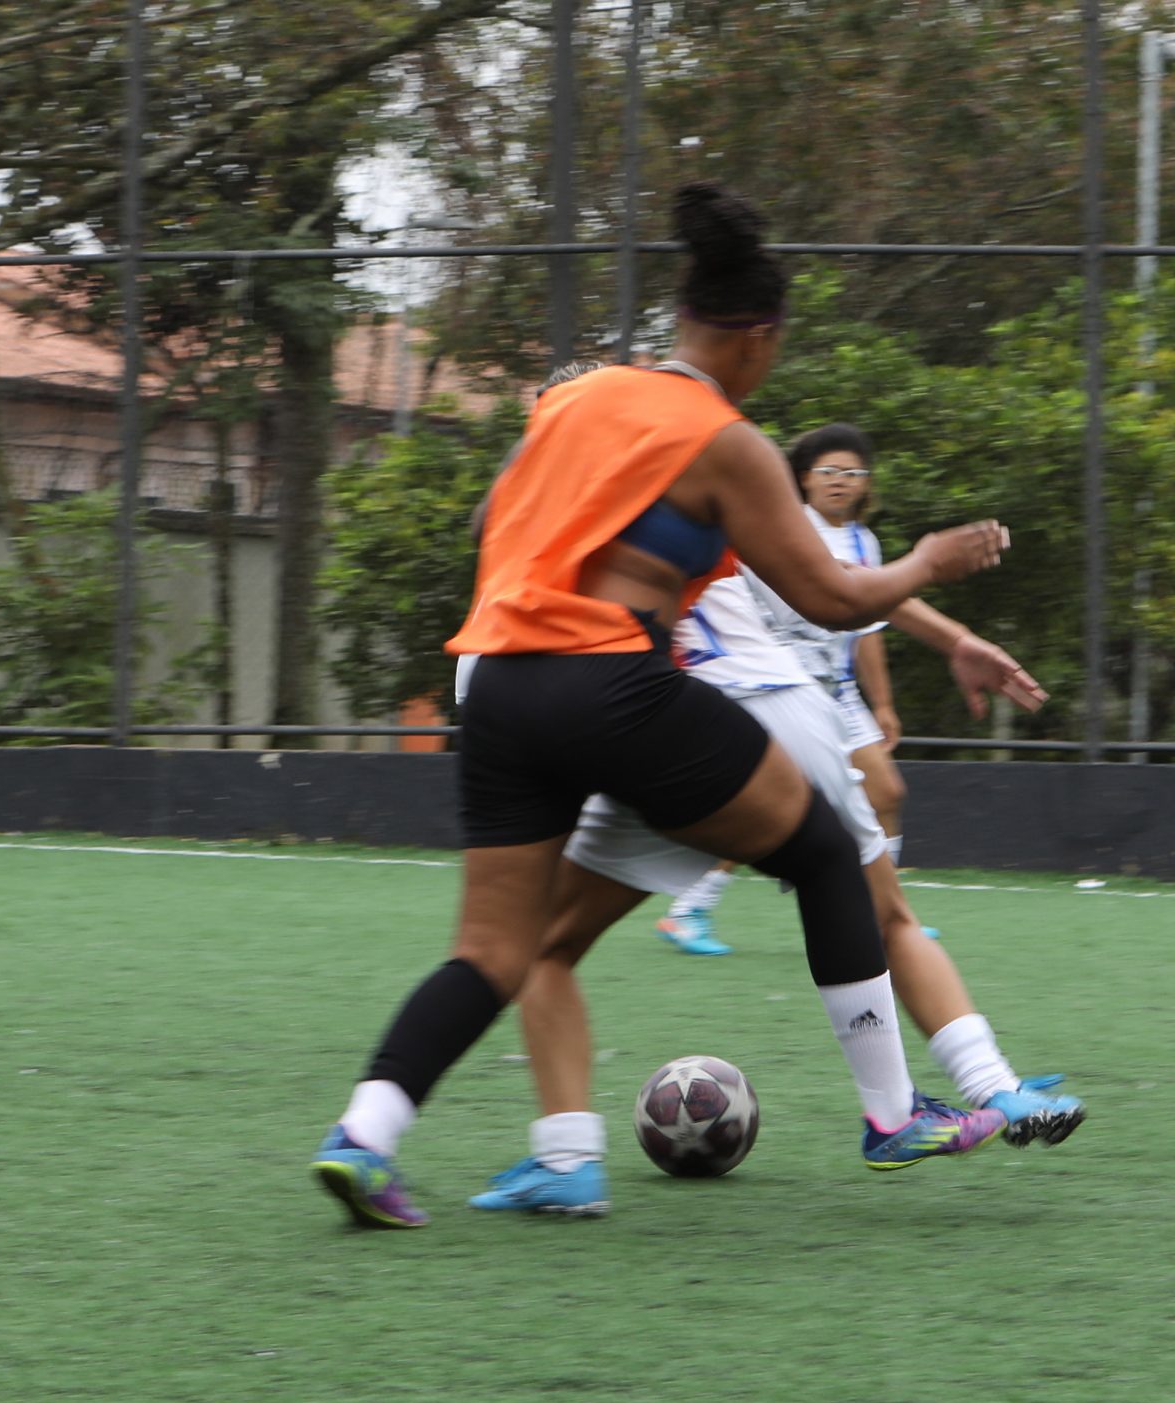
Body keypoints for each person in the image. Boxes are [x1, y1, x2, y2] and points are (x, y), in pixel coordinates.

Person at [308, 182, 1023, 1230]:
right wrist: (931, 561)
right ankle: (890, 1115)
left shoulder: (574, 399)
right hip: (611, 680)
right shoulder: (723, 438)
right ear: (760, 337)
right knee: (826, 852)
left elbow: (488, 520)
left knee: (494, 951)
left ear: (682, 321)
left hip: (499, 683)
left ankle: (364, 1137)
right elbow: (829, 597)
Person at [468, 540, 1087, 1214]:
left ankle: (566, 1159)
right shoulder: (673, 507)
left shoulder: (540, 578)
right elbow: (841, 583)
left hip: (669, 727)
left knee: (546, 948)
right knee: (888, 917)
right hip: (788, 710)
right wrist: (956, 636)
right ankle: (991, 1091)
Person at [656, 424, 909, 955]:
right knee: (763, 807)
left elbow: (867, 629)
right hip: (779, 684)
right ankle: (689, 909)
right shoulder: (785, 525)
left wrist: (882, 702)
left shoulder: (866, 542)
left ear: (866, 485)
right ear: (804, 479)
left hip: (837, 690)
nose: (841, 482)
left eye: (853, 473)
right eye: (829, 472)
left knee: (886, 792)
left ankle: (885, 913)